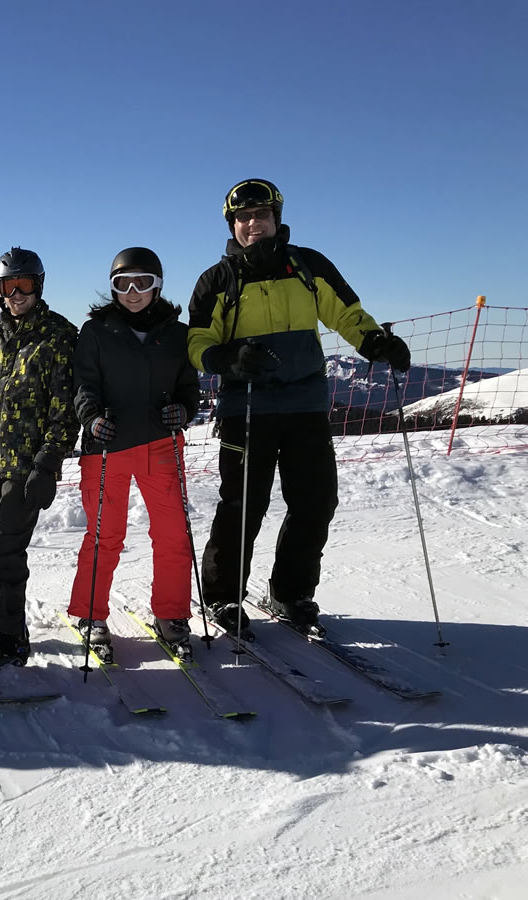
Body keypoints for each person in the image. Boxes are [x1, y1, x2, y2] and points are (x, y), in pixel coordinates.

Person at [187, 178, 411, 635]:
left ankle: (291, 592)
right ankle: (223, 598)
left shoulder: (307, 266)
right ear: (233, 224)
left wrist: (377, 343)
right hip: (246, 408)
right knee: (242, 505)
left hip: (305, 404)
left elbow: (346, 312)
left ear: (276, 218)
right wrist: (226, 358)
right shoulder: (218, 279)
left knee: (315, 501)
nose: (253, 224)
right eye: (244, 218)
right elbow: (196, 340)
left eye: (261, 215)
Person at [69, 248, 201, 660]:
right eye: (121, 283)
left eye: (141, 282)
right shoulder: (96, 331)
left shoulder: (177, 334)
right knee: (106, 535)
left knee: (174, 534)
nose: (131, 291)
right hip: (106, 446)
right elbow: (83, 385)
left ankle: (172, 614)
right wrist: (91, 419)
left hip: (160, 444)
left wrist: (185, 410)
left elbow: (189, 389)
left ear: (157, 285)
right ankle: (90, 614)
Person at [0, 248, 79, 674]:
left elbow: (65, 410)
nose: (17, 294)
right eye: (10, 286)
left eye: (25, 285)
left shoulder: (59, 335)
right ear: (0, 291)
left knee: (6, 552)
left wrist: (47, 465)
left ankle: (10, 639)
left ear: (38, 286)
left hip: (26, 467)